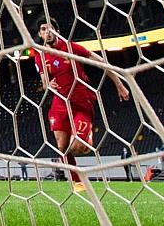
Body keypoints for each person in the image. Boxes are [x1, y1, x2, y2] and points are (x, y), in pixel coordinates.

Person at [31, 16, 130, 194]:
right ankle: (77, 182)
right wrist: (48, 85)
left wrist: (120, 85)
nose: (47, 32)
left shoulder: (70, 48)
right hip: (60, 102)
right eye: (44, 29)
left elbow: (100, 62)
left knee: (78, 147)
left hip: (81, 101)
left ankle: (87, 137)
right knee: (62, 147)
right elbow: (45, 82)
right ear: (40, 34)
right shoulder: (39, 56)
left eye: (50, 28)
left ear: (57, 31)